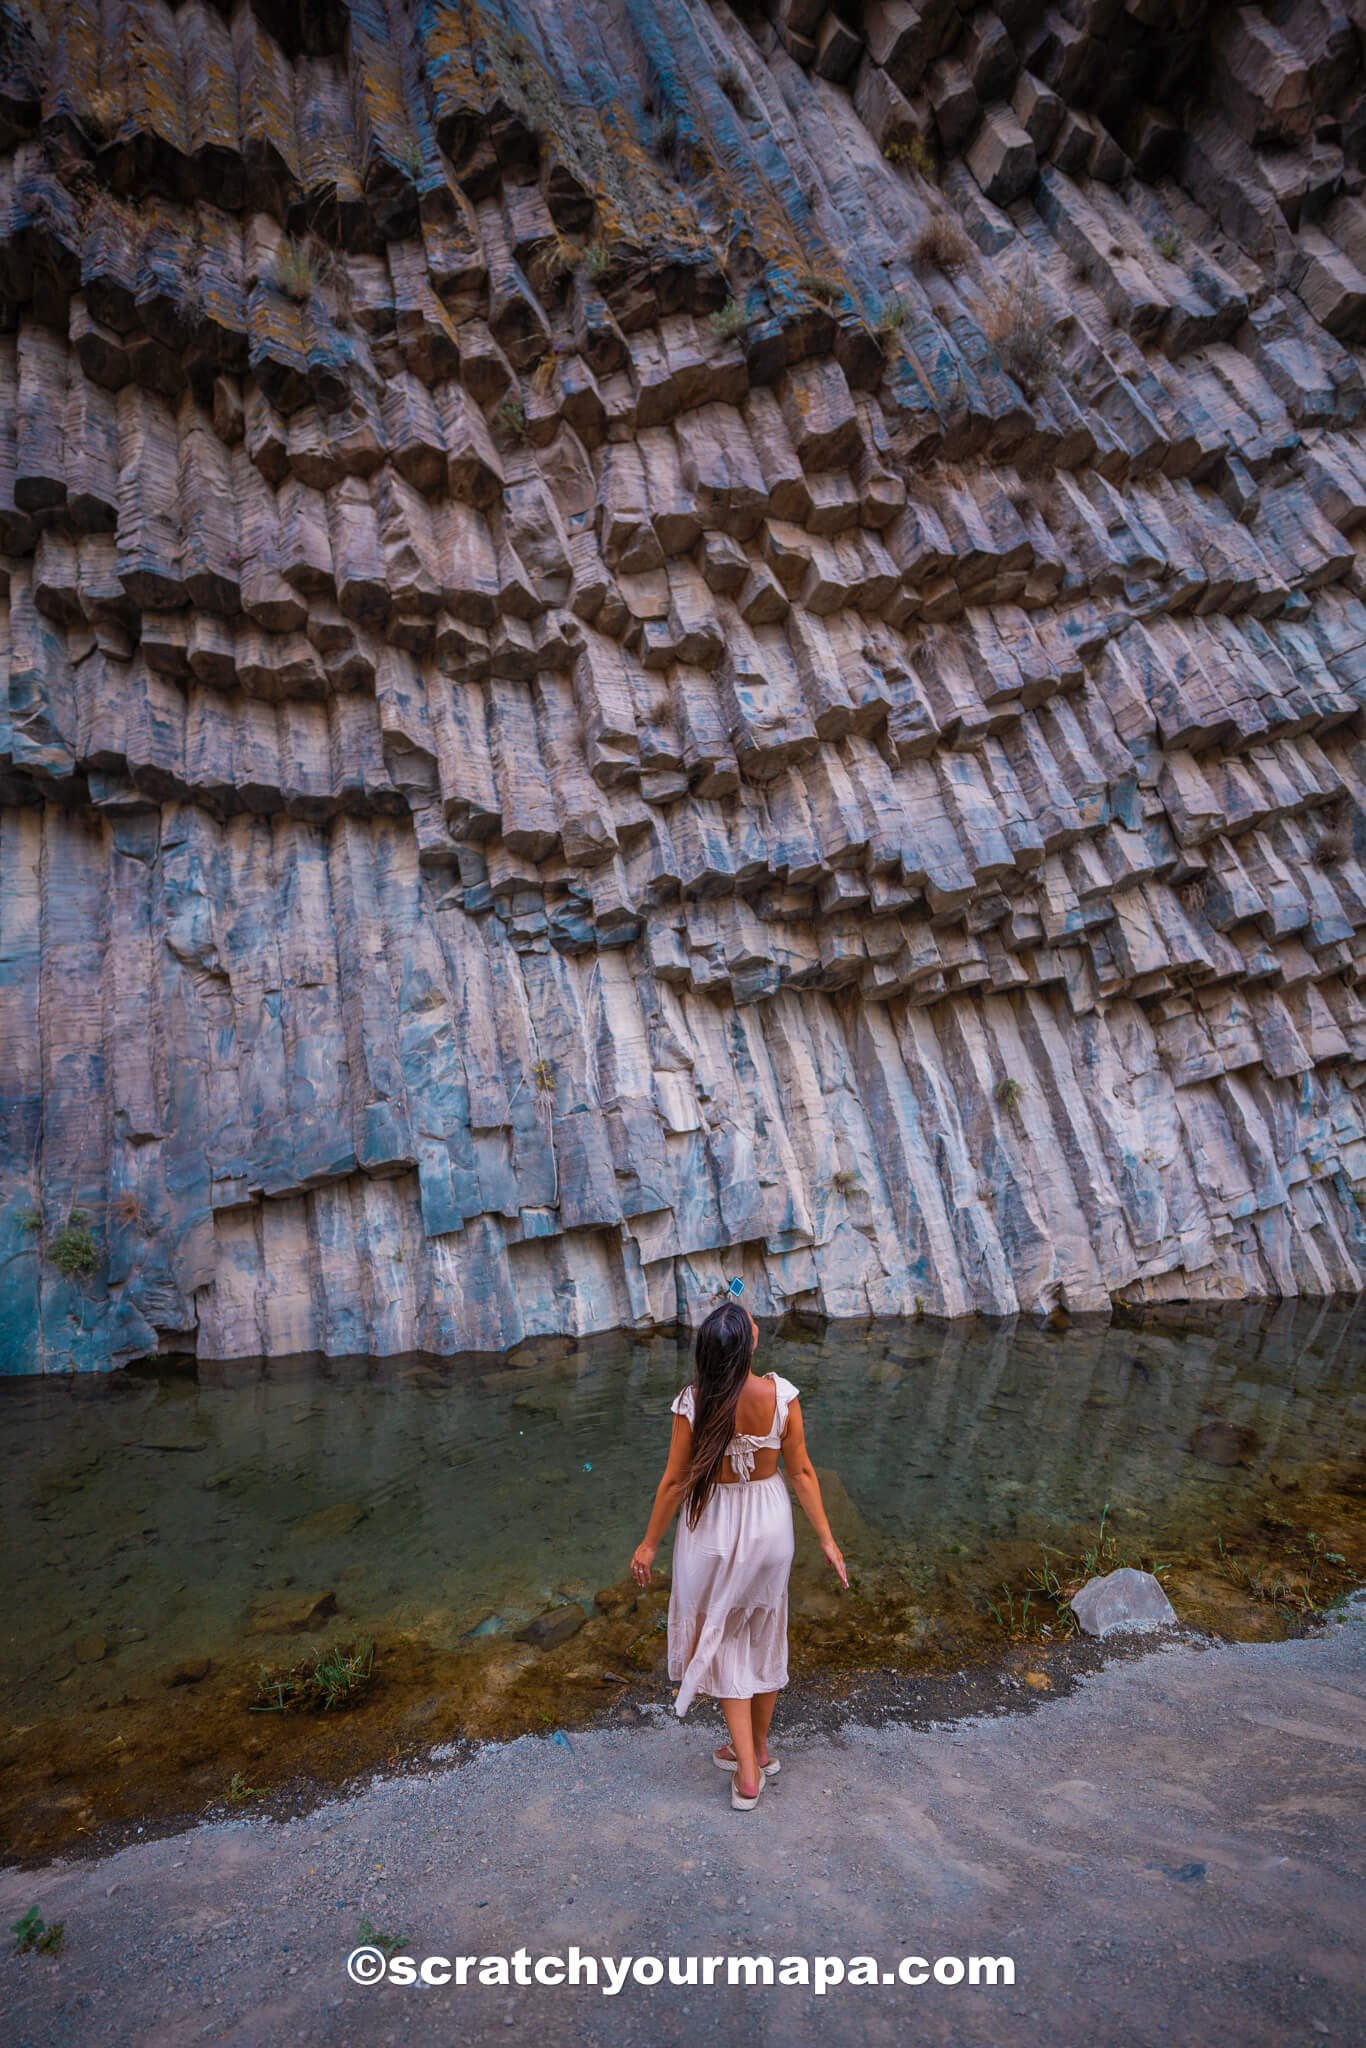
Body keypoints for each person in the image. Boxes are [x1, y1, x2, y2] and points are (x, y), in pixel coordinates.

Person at [630, 1298, 848, 1810]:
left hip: (715, 1529)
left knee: (723, 1638)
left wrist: (648, 1543)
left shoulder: (694, 1402)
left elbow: (676, 1481)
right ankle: (758, 1747)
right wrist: (827, 1540)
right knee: (763, 1630)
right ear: (750, 1343)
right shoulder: (781, 1397)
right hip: (771, 1528)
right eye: (750, 1324)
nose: (755, 1323)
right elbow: (802, 1474)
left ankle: (748, 1774)